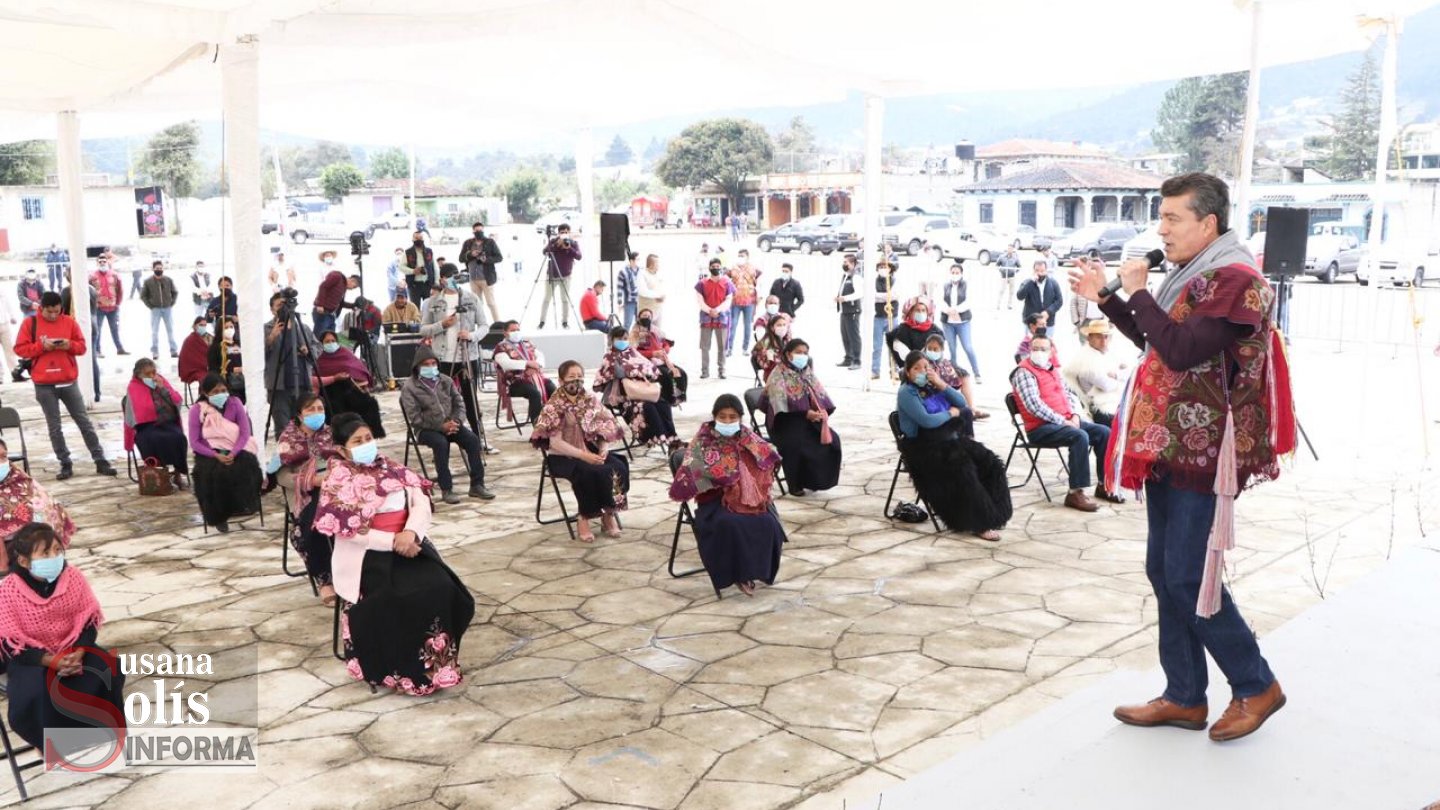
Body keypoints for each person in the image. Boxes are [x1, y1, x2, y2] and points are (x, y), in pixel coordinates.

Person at [1072, 172, 1295, 741]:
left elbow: (1179, 350)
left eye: (1173, 218)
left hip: (1205, 450)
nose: (1162, 230)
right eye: (1161, 218)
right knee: (1164, 571)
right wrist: (1107, 298)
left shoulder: (1236, 280)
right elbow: (1155, 339)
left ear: (1208, 223)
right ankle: (1184, 695)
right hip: (1169, 444)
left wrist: (1138, 290)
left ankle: (1255, 684)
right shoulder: (1195, 275)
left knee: (1190, 575)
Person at [315, 413, 474, 696]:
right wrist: (393, 541)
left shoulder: (392, 468)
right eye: (357, 441)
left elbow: (420, 502)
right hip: (369, 555)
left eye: (368, 438)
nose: (366, 444)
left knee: (441, 587)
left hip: (409, 544)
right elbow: (351, 531)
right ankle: (401, 673)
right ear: (342, 449)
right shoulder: (337, 481)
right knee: (397, 597)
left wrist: (410, 533)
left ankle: (437, 667)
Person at [0, 523, 126, 755]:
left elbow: (88, 622)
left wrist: (79, 652)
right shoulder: (8, 590)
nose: (54, 557)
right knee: (38, 690)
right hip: (31, 658)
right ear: (24, 561)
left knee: (108, 669)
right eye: (45, 553)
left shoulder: (73, 577)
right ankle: (48, 743)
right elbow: (10, 643)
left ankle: (101, 734)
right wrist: (51, 661)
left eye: (58, 550)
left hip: (73, 648)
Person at [669, 394, 786, 597]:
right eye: (722, 417)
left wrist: (751, 479)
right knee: (731, 524)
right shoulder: (702, 442)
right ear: (714, 417)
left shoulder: (747, 436)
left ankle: (758, 571)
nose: (728, 421)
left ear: (740, 418)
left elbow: (768, 456)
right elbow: (690, 475)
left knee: (769, 523)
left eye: (733, 417)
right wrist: (722, 479)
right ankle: (739, 575)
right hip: (715, 502)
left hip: (748, 499)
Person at [895, 351, 1011, 541]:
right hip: (924, 447)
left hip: (948, 439)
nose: (922, 371)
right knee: (964, 470)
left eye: (926, 367)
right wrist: (950, 414)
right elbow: (927, 421)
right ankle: (979, 523)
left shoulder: (933, 385)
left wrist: (941, 384)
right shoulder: (906, 392)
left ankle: (997, 514)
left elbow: (961, 402)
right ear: (908, 372)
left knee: (990, 462)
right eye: (917, 368)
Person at [14, 292, 117, 480]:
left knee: (84, 422)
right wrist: (41, 347)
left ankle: (100, 459)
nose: (54, 315)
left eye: (57, 311)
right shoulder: (30, 323)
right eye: (49, 312)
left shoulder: (69, 322)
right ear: (41, 308)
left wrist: (68, 345)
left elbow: (82, 347)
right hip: (44, 384)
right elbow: (19, 349)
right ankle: (65, 462)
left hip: (68, 381)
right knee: (54, 427)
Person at [1008, 333, 1116, 512]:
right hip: (1040, 428)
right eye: (1035, 348)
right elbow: (1034, 406)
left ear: (1051, 351)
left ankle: (1104, 485)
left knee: (1104, 432)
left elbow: (1069, 394)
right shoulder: (1023, 372)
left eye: (1043, 349)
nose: (1039, 352)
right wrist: (1063, 421)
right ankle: (1075, 493)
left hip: (1064, 421)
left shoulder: (1052, 370)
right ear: (1029, 350)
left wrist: (1074, 415)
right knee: (1079, 436)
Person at [530, 361, 630, 543]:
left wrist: (603, 449)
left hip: (589, 448)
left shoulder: (589, 400)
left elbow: (603, 427)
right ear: (561, 381)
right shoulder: (554, 405)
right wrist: (584, 456)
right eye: (571, 377)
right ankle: (584, 516)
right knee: (588, 472)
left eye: (579, 376)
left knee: (618, 466)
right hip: (563, 456)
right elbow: (555, 443)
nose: (576, 381)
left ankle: (608, 513)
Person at [401, 347, 494, 503]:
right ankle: (446, 489)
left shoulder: (446, 380)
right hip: (425, 429)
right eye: (426, 364)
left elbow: (460, 404)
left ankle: (477, 485)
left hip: (451, 424)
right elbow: (415, 417)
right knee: (441, 443)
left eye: (433, 363)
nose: (431, 367)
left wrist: (456, 421)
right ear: (417, 366)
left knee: (472, 440)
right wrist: (440, 426)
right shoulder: (409, 387)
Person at [277, 394, 337, 604]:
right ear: (299, 415)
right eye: (310, 410)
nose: (316, 414)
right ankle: (325, 580)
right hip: (304, 492)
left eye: (320, 409)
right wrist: (311, 480)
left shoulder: (332, 434)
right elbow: (282, 477)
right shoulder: (288, 440)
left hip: (334, 485)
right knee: (315, 523)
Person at [761, 338, 841, 495]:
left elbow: (819, 395)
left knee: (832, 441)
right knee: (797, 444)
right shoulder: (778, 374)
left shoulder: (806, 372)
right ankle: (795, 484)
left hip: (806, 420)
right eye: (798, 352)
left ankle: (812, 481)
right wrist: (805, 413)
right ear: (788, 354)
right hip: (783, 423)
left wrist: (819, 411)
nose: (802, 356)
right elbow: (778, 406)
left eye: (805, 353)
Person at [188, 373, 262, 532]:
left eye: (223, 390)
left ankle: (243, 504)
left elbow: (244, 433)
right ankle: (218, 515)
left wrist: (233, 453)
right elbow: (195, 442)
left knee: (247, 466)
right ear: (205, 393)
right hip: (210, 451)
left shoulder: (235, 403)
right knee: (212, 474)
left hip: (236, 448)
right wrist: (215, 455)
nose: (220, 394)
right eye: (215, 392)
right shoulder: (197, 410)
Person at [421, 264, 487, 431]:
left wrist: (471, 335)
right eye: (449, 276)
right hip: (442, 357)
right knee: (442, 398)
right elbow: (423, 330)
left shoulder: (471, 298)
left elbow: (484, 326)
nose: (453, 279)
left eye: (455, 275)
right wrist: (442, 324)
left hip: (468, 356)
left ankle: (477, 434)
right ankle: (444, 434)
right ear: (442, 279)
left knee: (471, 399)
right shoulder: (431, 302)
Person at [594, 326, 678, 448]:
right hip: (623, 396)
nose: (623, 341)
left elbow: (650, 367)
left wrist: (638, 370)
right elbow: (615, 374)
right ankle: (657, 437)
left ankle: (672, 438)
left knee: (663, 404)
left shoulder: (633, 352)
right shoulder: (609, 357)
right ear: (612, 339)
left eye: (625, 338)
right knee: (647, 407)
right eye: (619, 338)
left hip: (640, 391)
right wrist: (633, 369)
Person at [0, 442, 76, 562]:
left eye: (4, 456)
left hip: (32, 548)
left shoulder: (20, 480)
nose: (1, 463)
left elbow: (48, 508)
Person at [124, 358, 188, 488]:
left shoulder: (161, 381)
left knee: (179, 438)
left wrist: (162, 388)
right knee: (152, 440)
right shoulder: (134, 387)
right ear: (139, 375)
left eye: (154, 372)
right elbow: (132, 415)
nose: (152, 376)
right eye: (147, 374)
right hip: (145, 426)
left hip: (167, 422)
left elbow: (177, 401)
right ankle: (160, 472)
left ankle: (177, 473)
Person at [264, 291, 321, 438]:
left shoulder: (303, 327)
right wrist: (271, 337)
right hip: (279, 386)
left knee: (307, 425)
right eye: (279, 305)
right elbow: (257, 355)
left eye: (286, 304)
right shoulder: (266, 328)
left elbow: (317, 347)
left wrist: (308, 351)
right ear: (272, 309)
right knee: (283, 429)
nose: (284, 308)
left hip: (303, 383)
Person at [315, 330, 386, 439]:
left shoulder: (345, 353)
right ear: (322, 343)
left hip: (348, 389)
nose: (331, 343)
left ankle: (369, 435)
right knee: (336, 407)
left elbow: (359, 369)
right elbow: (316, 379)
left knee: (370, 403)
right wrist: (334, 378)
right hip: (329, 392)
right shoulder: (319, 358)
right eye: (327, 341)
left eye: (333, 341)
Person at [1066, 319, 1129, 427]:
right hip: (1100, 408)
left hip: (1115, 402)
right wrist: (1120, 376)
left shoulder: (1107, 353)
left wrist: (1116, 375)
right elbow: (1107, 385)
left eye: (1106, 337)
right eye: (1099, 337)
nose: (1103, 341)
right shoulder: (1085, 360)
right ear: (1089, 338)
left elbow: (1129, 372)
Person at [493, 320, 555, 424]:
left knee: (552, 388)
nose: (516, 332)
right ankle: (538, 425)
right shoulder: (501, 347)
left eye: (518, 330)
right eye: (513, 330)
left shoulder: (526, 343)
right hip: (514, 382)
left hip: (535, 377)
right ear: (505, 333)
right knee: (534, 393)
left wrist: (535, 367)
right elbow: (506, 364)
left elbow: (540, 356)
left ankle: (555, 420)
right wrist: (527, 364)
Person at [631, 310, 687, 406]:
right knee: (666, 375)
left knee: (681, 372)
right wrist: (652, 354)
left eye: (649, 316)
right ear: (639, 317)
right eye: (644, 315)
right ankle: (669, 400)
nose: (647, 318)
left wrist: (665, 350)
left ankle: (680, 397)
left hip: (661, 360)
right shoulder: (635, 333)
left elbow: (666, 343)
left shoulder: (655, 330)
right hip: (647, 362)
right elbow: (634, 352)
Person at [939, 262, 982, 382]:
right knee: (952, 348)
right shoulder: (945, 285)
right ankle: (954, 373)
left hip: (963, 322)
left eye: (957, 272)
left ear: (961, 274)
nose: (955, 274)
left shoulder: (966, 285)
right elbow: (940, 300)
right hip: (948, 322)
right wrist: (948, 310)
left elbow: (969, 301)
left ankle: (977, 373)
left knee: (968, 347)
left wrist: (956, 310)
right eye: (953, 272)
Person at [695, 257, 735, 379]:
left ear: (721, 267)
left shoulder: (727, 283)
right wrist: (709, 311)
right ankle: (705, 371)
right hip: (706, 318)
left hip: (722, 318)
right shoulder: (702, 284)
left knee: (722, 346)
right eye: (713, 267)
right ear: (709, 268)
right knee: (704, 346)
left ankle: (722, 370)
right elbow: (700, 301)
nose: (715, 268)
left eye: (718, 266)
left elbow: (728, 300)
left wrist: (717, 310)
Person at [539, 224, 582, 329]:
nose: (564, 234)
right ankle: (542, 321)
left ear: (569, 233)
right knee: (547, 298)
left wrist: (569, 248)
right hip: (552, 275)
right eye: (562, 232)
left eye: (566, 232)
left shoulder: (573, 243)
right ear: (558, 233)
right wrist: (556, 245)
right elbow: (545, 252)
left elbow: (579, 256)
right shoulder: (553, 241)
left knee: (565, 299)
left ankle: (565, 322)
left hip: (566, 276)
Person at [460, 221, 504, 324]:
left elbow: (499, 257)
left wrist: (486, 259)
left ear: (483, 230)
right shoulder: (468, 243)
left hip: (486, 278)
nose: (479, 232)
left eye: (480, 230)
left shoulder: (490, 242)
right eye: (476, 231)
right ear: (473, 231)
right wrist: (471, 254)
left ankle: (498, 324)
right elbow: (461, 258)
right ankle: (482, 325)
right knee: (477, 304)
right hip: (473, 278)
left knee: (491, 303)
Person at [88, 254, 128, 356]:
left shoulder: (114, 275)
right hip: (99, 308)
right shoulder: (92, 276)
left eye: (104, 261)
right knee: (97, 330)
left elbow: (120, 290)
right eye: (100, 262)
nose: (102, 263)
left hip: (113, 308)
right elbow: (89, 292)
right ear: (97, 263)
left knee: (115, 329)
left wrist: (118, 303)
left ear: (107, 262)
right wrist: (93, 305)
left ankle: (120, 349)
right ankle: (97, 350)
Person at [140, 259, 179, 359]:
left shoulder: (168, 280)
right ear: (153, 269)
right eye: (157, 268)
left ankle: (173, 350)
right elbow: (143, 295)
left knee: (170, 330)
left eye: (161, 268)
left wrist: (171, 303)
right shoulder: (148, 281)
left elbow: (175, 292)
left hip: (167, 309)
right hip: (155, 310)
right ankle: (155, 352)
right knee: (154, 332)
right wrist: (150, 306)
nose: (159, 270)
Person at [725, 249, 762, 356]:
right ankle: (729, 348)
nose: (740, 257)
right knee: (732, 325)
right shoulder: (733, 268)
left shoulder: (753, 268)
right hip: (735, 301)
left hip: (749, 301)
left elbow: (760, 281)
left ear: (747, 257)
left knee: (747, 326)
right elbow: (725, 279)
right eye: (739, 255)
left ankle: (745, 348)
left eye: (742, 255)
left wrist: (759, 294)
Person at [312, 254, 356, 336]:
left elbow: (341, 303)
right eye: (353, 287)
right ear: (352, 281)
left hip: (331, 314)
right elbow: (323, 286)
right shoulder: (337, 276)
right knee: (320, 336)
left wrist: (353, 306)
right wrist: (320, 304)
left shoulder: (343, 288)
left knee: (331, 337)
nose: (352, 289)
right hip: (323, 312)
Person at [870, 261, 899, 380]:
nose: (883, 269)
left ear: (890, 269)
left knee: (893, 346)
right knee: (876, 346)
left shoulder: (895, 281)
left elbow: (895, 295)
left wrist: (882, 296)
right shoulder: (873, 281)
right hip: (878, 317)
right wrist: (886, 296)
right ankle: (875, 371)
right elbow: (872, 296)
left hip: (892, 316)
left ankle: (894, 370)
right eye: (880, 267)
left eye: (885, 267)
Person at [1068, 257, 1106, 342]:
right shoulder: (1082, 284)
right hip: (1085, 321)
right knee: (1085, 344)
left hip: (1101, 321)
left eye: (1098, 269)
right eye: (1093, 269)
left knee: (1099, 345)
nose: (1095, 271)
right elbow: (1073, 304)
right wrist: (1076, 321)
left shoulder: (1106, 284)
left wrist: (1111, 322)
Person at [208, 315, 246, 401]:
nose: (229, 330)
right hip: (228, 384)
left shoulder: (240, 344)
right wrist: (231, 369)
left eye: (231, 327)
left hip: (243, 382)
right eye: (226, 327)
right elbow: (213, 368)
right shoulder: (215, 347)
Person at [1017, 258, 1064, 328]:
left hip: (1048, 322)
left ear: (1046, 270)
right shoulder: (1027, 282)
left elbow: (1059, 301)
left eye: (1042, 271)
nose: (1039, 273)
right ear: (1033, 270)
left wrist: (1048, 311)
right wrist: (1031, 282)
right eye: (1037, 270)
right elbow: (1020, 296)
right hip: (1031, 322)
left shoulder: (1053, 283)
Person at [750, 312, 791, 383]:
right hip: (773, 376)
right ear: (772, 328)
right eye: (779, 325)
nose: (782, 327)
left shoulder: (786, 340)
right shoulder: (766, 343)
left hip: (787, 373)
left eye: (784, 325)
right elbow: (769, 365)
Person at [402, 231, 436, 304]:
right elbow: (401, 267)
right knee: (415, 308)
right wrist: (413, 271)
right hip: (414, 285)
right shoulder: (408, 252)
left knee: (430, 307)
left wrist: (436, 282)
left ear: (423, 239)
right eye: (416, 238)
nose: (419, 240)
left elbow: (435, 268)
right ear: (412, 239)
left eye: (420, 238)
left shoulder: (429, 251)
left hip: (428, 284)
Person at [179, 317, 213, 385]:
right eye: (201, 325)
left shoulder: (209, 337)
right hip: (195, 369)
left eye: (205, 325)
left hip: (210, 366)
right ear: (194, 326)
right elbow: (186, 358)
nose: (203, 327)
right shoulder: (189, 340)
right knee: (205, 378)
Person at [637, 253, 667, 324]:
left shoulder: (659, 274)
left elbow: (663, 289)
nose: (659, 265)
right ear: (651, 264)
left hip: (658, 311)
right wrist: (658, 295)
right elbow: (643, 291)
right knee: (645, 330)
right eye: (657, 263)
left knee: (658, 330)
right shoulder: (642, 274)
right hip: (646, 312)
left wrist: (663, 296)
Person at [616, 251, 641, 329]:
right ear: (631, 261)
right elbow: (619, 288)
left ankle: (638, 337)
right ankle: (624, 337)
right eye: (637, 259)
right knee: (627, 324)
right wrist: (620, 302)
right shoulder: (623, 272)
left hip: (640, 301)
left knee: (641, 324)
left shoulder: (641, 271)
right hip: (629, 302)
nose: (639, 261)